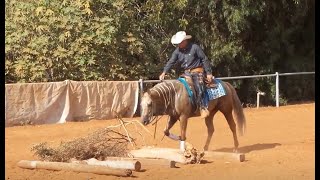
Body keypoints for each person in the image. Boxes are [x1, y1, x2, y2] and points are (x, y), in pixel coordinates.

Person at [159, 31, 215, 118]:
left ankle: (202, 107)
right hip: (186, 74)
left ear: (185, 41)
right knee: (178, 87)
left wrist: (208, 73)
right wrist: (164, 72)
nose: (178, 45)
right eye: (177, 43)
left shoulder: (195, 47)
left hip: (197, 71)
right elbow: (171, 61)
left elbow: (204, 59)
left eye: (180, 43)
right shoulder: (177, 51)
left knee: (199, 86)